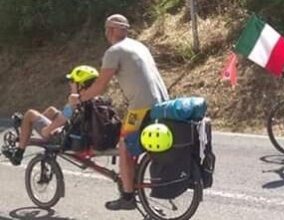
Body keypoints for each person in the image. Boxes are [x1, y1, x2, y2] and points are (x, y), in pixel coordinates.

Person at [68, 14, 169, 210]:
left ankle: (128, 196)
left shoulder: (114, 51)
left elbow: (100, 86)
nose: (106, 33)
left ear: (111, 30)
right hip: (162, 102)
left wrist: (79, 98)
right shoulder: (139, 46)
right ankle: (134, 177)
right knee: (136, 141)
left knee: (124, 145)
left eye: (107, 29)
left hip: (141, 106)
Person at [2, 65, 99, 165]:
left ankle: (18, 153)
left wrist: (47, 130)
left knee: (30, 114)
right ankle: (28, 130)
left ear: (81, 85)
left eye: (72, 81)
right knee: (51, 111)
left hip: (66, 139)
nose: (70, 84)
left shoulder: (75, 99)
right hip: (81, 134)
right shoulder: (95, 98)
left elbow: (63, 118)